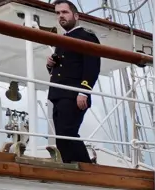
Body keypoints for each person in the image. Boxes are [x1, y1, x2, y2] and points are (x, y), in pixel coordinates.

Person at [46, 0, 100, 165]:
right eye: (58, 13)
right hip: (59, 94)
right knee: (61, 136)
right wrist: (50, 66)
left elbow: (92, 66)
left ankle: (85, 167)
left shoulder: (86, 36)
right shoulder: (63, 40)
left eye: (64, 12)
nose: (61, 16)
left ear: (75, 15)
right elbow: (64, 69)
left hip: (74, 93)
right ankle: (69, 165)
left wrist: (84, 91)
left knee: (67, 131)